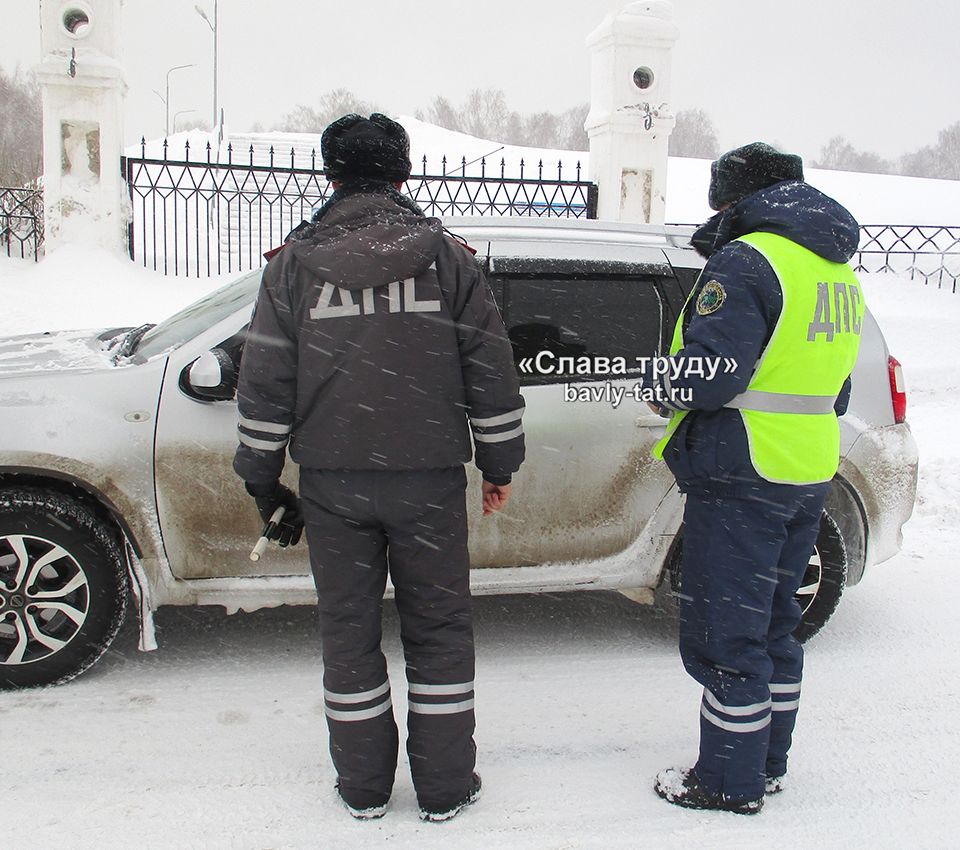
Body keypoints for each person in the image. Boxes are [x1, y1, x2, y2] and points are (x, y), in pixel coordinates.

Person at [232, 113, 525, 822]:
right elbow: (489, 367)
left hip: (333, 484)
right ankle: (446, 787)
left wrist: (263, 479)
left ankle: (363, 789)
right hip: (427, 479)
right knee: (440, 630)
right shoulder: (448, 259)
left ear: (330, 175)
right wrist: (498, 463)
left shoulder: (293, 266)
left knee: (349, 632)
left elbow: (264, 380)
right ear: (403, 174)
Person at [646, 142, 864, 814]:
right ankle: (767, 763)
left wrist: (660, 383)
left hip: (742, 472)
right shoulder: (835, 272)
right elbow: (841, 389)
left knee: (726, 636)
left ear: (735, 201)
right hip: (804, 468)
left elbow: (713, 372)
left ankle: (725, 783)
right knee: (772, 625)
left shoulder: (748, 260)